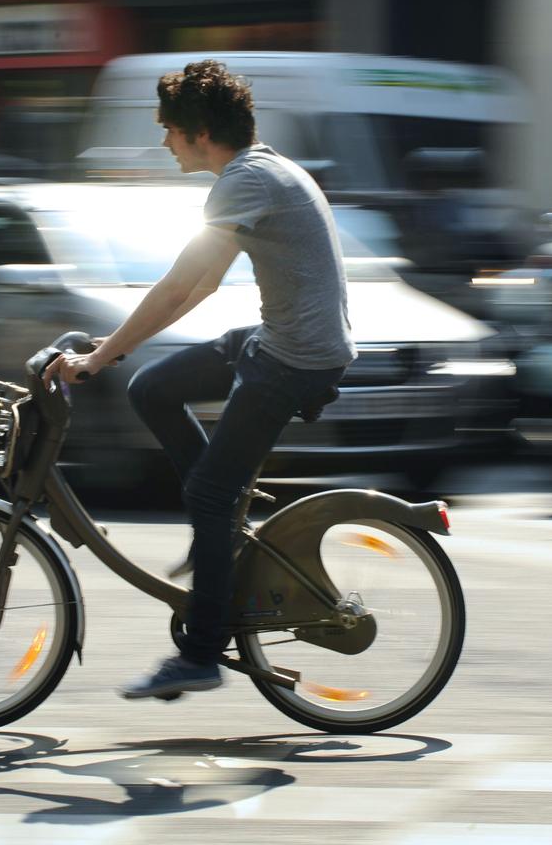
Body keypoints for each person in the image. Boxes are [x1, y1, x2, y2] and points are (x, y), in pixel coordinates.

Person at [43, 59, 357, 700]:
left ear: (200, 133)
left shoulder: (245, 181)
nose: (163, 142)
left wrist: (100, 356)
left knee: (211, 493)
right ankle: (214, 522)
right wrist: (113, 351)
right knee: (150, 389)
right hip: (280, 340)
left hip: (296, 358)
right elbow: (194, 286)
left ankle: (200, 654)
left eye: (169, 130)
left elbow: (190, 283)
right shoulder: (259, 169)